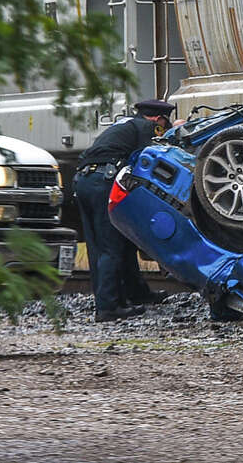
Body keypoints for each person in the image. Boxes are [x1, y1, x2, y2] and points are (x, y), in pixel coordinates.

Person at [74, 98, 175, 322]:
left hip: (84, 180)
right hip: (104, 182)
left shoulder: (124, 124)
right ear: (159, 119)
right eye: (165, 123)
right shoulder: (147, 127)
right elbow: (159, 156)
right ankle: (108, 308)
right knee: (112, 245)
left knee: (106, 244)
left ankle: (135, 293)